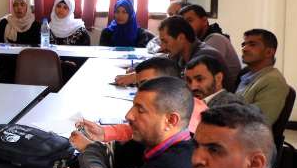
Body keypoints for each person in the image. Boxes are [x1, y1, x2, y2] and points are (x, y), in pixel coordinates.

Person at [63, 76, 198, 168]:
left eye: (140, 110)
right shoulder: (150, 140)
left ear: (170, 120)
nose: (128, 116)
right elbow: (101, 150)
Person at [78, 56, 207, 146]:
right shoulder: (179, 102)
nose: (141, 89)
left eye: (147, 83)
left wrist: (91, 150)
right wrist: (104, 132)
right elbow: (142, 127)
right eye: (139, 85)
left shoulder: (191, 118)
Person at [159, 15, 237, 87]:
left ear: (181, 38)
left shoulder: (205, 56)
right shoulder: (178, 56)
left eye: (165, 41)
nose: (162, 48)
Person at [237, 29, 291, 126]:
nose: (244, 49)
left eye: (252, 44)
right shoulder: (248, 75)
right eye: (243, 44)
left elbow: (257, 124)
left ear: (269, 52)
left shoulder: (273, 82)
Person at [180, 4, 241, 89]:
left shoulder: (216, 39)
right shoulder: (197, 43)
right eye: (183, 24)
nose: (185, 27)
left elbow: (198, 70)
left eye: (189, 21)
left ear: (204, 21)